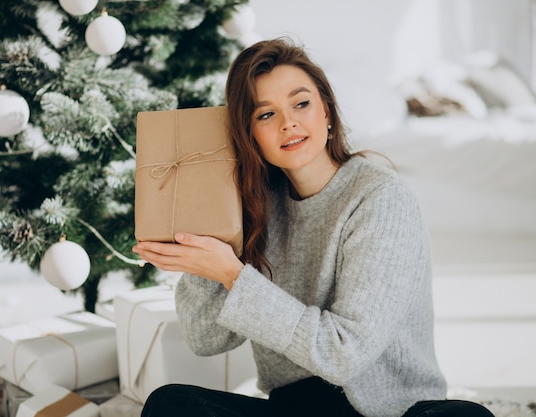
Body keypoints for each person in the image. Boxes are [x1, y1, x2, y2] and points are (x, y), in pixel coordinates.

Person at [132, 38, 494, 417]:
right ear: (248, 134)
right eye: (265, 114)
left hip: (391, 412)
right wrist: (204, 249)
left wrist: (233, 275)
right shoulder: (252, 205)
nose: (288, 122)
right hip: (296, 409)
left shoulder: (381, 198)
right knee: (169, 404)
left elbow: (345, 355)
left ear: (327, 111)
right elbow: (203, 337)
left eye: (301, 103)